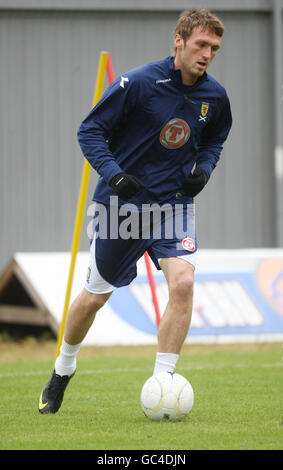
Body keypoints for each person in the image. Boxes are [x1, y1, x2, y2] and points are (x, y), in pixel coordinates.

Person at [38, 8, 232, 414]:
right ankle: (63, 368)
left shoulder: (214, 97)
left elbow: (215, 139)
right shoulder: (139, 82)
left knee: (182, 284)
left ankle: (163, 382)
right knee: (93, 298)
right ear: (178, 41)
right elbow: (89, 131)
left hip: (174, 205)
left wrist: (205, 169)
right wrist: (115, 174)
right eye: (201, 45)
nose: (208, 54)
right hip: (121, 207)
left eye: (214, 47)